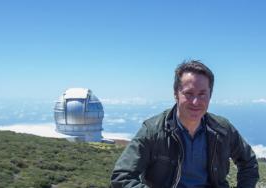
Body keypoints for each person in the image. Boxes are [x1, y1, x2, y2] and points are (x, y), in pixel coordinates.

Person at [110, 60, 259, 188]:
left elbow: (249, 163)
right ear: (176, 93)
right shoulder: (153, 131)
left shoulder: (222, 129)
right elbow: (122, 176)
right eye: (189, 93)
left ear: (210, 95)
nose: (196, 101)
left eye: (202, 94)